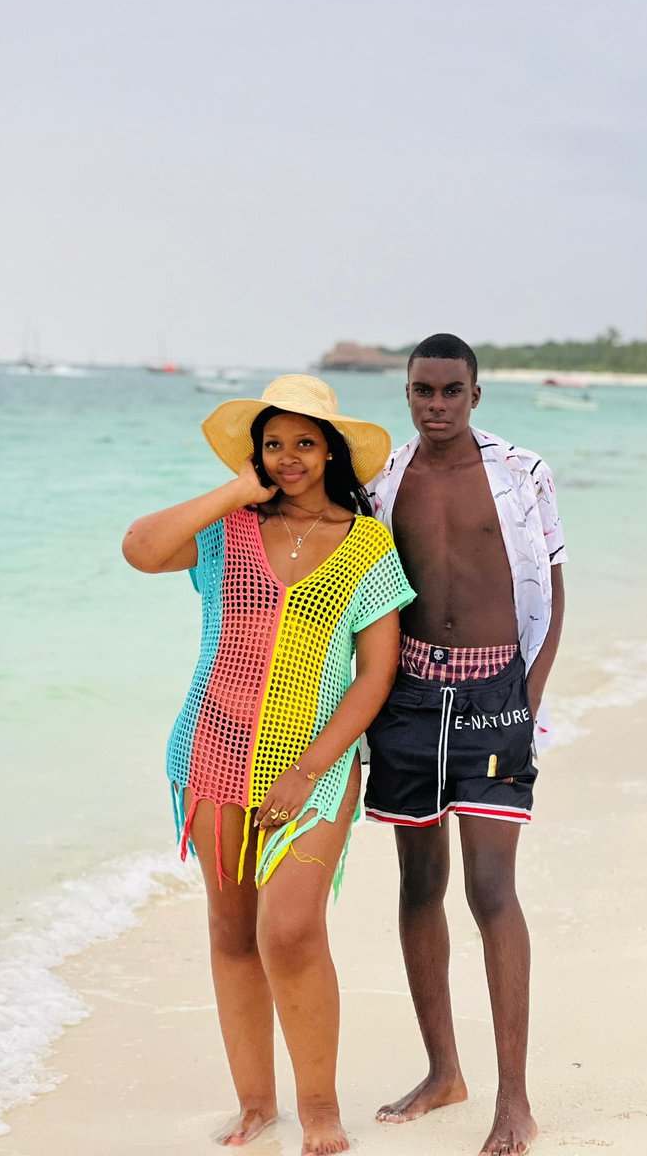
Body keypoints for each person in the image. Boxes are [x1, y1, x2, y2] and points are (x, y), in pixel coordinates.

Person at [122, 375, 414, 1154]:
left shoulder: (366, 545)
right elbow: (140, 549)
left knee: (290, 930)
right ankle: (255, 1105)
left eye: (304, 443)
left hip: (315, 766)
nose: (289, 457)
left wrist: (308, 769)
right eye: (274, 443)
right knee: (231, 931)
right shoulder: (227, 530)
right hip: (210, 750)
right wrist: (234, 491)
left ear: (332, 453)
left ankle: (319, 1109)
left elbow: (374, 676)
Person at [364, 334, 566, 1156]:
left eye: (451, 390)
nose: (436, 404)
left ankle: (514, 1099)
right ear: (407, 393)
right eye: (423, 389)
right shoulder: (382, 482)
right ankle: (442, 1072)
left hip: (493, 698)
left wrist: (528, 696)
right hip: (409, 697)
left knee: (490, 889)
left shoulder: (522, 473)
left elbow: (552, 586)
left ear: (475, 395)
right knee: (419, 883)